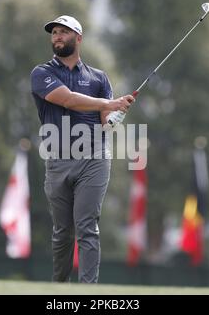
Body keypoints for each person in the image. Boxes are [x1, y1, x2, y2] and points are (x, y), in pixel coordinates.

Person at [30, 15, 134, 283]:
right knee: (63, 231)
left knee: (88, 227)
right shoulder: (43, 73)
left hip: (94, 159)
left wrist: (114, 116)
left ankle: (87, 290)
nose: (57, 36)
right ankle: (60, 288)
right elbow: (67, 100)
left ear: (78, 37)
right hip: (58, 159)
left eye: (63, 32)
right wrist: (108, 104)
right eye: (54, 32)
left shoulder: (99, 78)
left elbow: (106, 124)